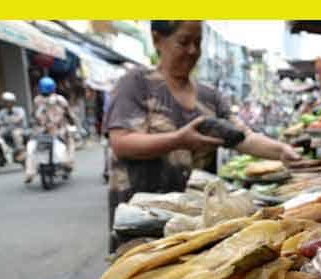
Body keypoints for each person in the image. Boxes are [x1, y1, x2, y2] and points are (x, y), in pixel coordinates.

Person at [104, 20, 300, 232]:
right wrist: (178, 140)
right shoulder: (136, 83)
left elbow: (243, 138)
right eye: (183, 42)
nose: (192, 51)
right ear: (157, 39)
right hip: (142, 217)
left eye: (198, 42)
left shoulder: (209, 96)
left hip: (195, 221)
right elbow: (121, 142)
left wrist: (282, 151)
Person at [25, 77, 78, 184]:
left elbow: (34, 116)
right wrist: (73, 122)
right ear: (53, 88)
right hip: (58, 130)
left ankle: (30, 172)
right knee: (70, 142)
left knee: (31, 147)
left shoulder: (37, 100)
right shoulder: (60, 99)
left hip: (43, 130)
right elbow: (69, 114)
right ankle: (68, 164)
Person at [0, 91, 27, 164]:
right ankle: (1, 152)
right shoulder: (2, 111)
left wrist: (6, 121)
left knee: (16, 134)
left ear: (13, 102)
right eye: (5, 102)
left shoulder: (19, 110)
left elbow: (18, 119)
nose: (7, 103)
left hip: (19, 129)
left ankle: (20, 152)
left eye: (8, 101)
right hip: (7, 130)